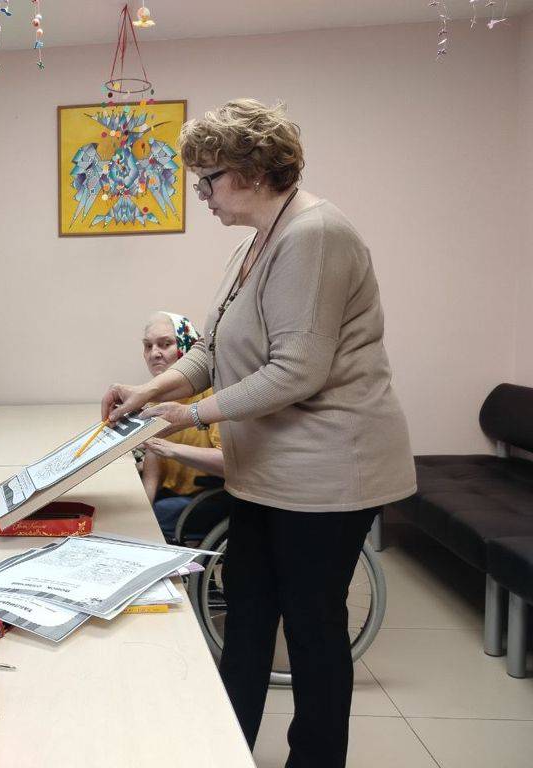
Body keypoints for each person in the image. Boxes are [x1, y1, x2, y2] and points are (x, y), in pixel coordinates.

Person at [102, 99, 416, 768]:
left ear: (251, 170)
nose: (203, 196)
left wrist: (191, 416)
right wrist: (150, 392)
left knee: (312, 629)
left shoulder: (316, 235)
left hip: (328, 474)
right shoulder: (253, 245)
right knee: (245, 618)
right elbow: (211, 350)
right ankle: (225, 749)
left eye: (208, 180)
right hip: (265, 471)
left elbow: (297, 371)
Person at [137, 312, 224, 541]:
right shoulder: (155, 398)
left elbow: (231, 463)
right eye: (148, 346)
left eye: (165, 344)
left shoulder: (212, 394)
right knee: (131, 511)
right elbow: (154, 463)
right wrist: (143, 508)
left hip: (209, 495)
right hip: (170, 492)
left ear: (187, 346)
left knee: (157, 514)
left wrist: (172, 449)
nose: (154, 353)